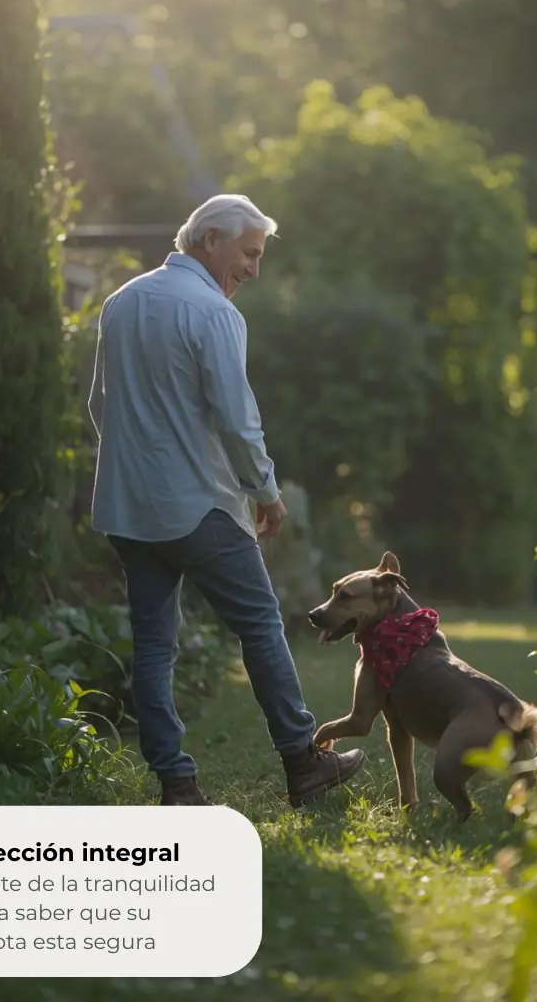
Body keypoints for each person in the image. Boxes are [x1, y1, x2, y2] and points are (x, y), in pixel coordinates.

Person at [87, 193, 366, 806]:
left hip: (129, 511)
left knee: (153, 644)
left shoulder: (121, 302)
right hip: (199, 509)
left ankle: (177, 784)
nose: (254, 270)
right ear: (210, 239)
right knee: (262, 628)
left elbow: (98, 407)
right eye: (248, 253)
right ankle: (303, 761)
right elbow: (238, 421)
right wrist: (266, 493)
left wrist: (136, 473)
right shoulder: (213, 313)